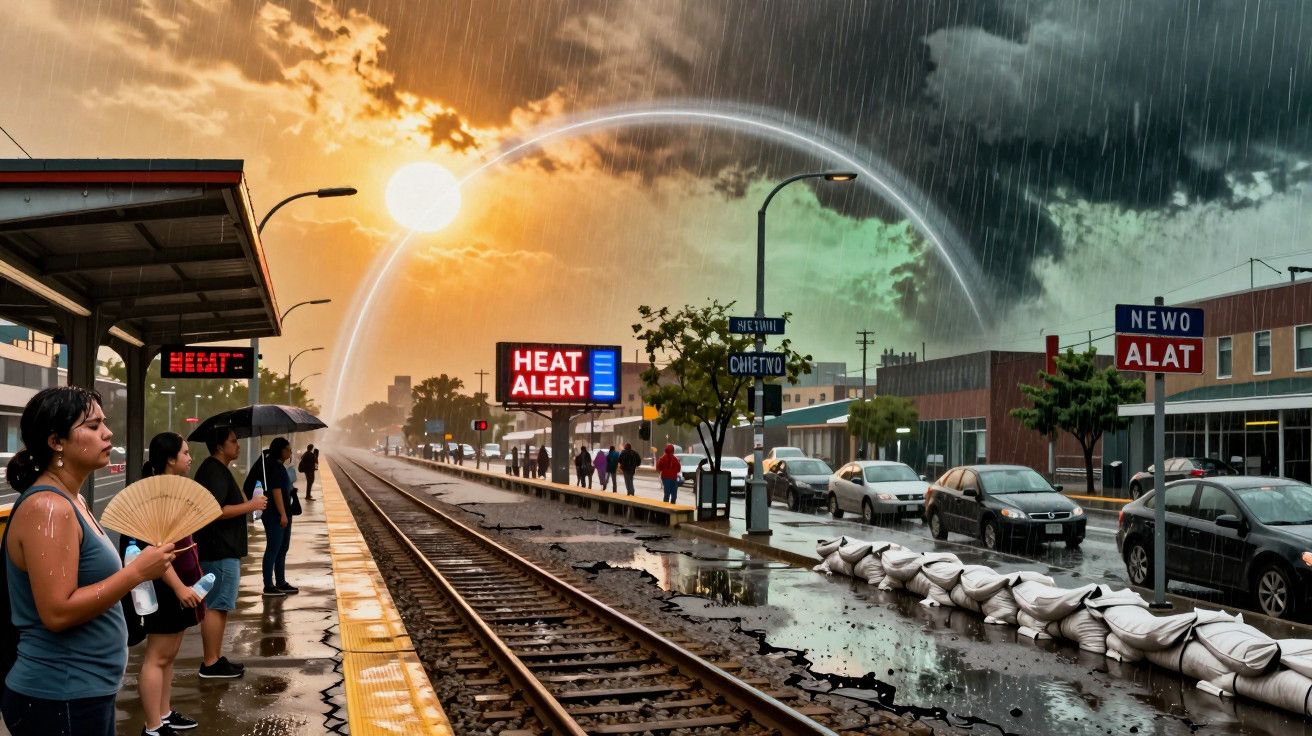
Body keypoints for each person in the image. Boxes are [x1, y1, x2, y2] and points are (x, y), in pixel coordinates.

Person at [1, 386, 175, 736]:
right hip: (60, 698)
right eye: (93, 426)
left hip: (82, 693)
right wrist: (136, 572)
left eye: (104, 424)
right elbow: (57, 612)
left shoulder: (72, 500)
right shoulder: (48, 508)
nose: (107, 433)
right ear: (56, 442)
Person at [136, 432, 205, 735]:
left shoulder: (174, 490)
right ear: (170, 459)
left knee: (170, 654)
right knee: (157, 656)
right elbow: (157, 550)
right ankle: (153, 727)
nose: (190, 457)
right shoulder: (159, 496)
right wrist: (178, 587)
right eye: (186, 453)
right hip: (167, 588)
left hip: (181, 586)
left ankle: (164, 714)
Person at [193, 427, 265, 679]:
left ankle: (215, 658)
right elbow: (216, 510)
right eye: (234, 441)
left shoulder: (217, 469)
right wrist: (252, 505)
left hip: (221, 549)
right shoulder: (214, 471)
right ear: (220, 446)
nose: (238, 445)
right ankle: (211, 663)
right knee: (215, 605)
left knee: (220, 605)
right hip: (219, 550)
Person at [245, 438, 296, 598]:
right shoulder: (273, 466)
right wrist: (282, 514)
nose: (290, 452)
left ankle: (280, 582)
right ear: (281, 450)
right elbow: (276, 491)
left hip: (283, 514)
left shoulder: (278, 465)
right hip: (275, 515)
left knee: (282, 548)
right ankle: (269, 585)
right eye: (288, 449)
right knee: (273, 549)